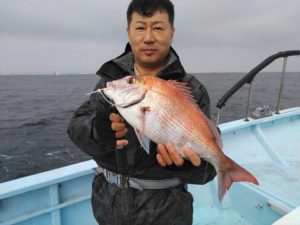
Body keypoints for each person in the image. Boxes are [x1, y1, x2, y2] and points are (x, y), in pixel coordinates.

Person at [68, 0, 216, 224]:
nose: (148, 37)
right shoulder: (112, 82)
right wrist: (98, 131)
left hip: (168, 213)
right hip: (108, 208)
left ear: (171, 32)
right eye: (140, 27)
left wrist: (186, 165)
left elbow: (208, 171)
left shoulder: (192, 90)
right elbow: (75, 128)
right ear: (128, 32)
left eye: (157, 27)